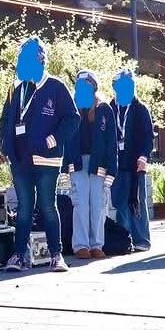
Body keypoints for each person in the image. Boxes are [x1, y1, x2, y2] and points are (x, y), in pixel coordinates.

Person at [0, 36, 77, 272]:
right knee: (24, 207)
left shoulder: (55, 86)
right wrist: (5, 144)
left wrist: (52, 140)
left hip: (47, 159)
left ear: (40, 59)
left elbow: (72, 118)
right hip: (21, 159)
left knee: (47, 205)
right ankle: (19, 255)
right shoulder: (15, 89)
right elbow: (5, 119)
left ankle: (56, 254)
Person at [64, 70, 116, 259]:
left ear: (94, 87)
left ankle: (96, 244)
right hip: (77, 164)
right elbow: (65, 138)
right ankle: (80, 245)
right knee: (80, 205)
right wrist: (64, 168)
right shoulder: (71, 108)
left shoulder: (104, 109)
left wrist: (112, 170)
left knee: (98, 205)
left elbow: (111, 141)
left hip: (99, 165)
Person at [108, 69, 155, 253]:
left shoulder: (140, 109)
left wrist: (144, 156)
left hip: (136, 164)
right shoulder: (110, 108)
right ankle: (124, 238)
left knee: (136, 202)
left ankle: (142, 240)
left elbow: (148, 136)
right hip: (117, 165)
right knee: (119, 201)